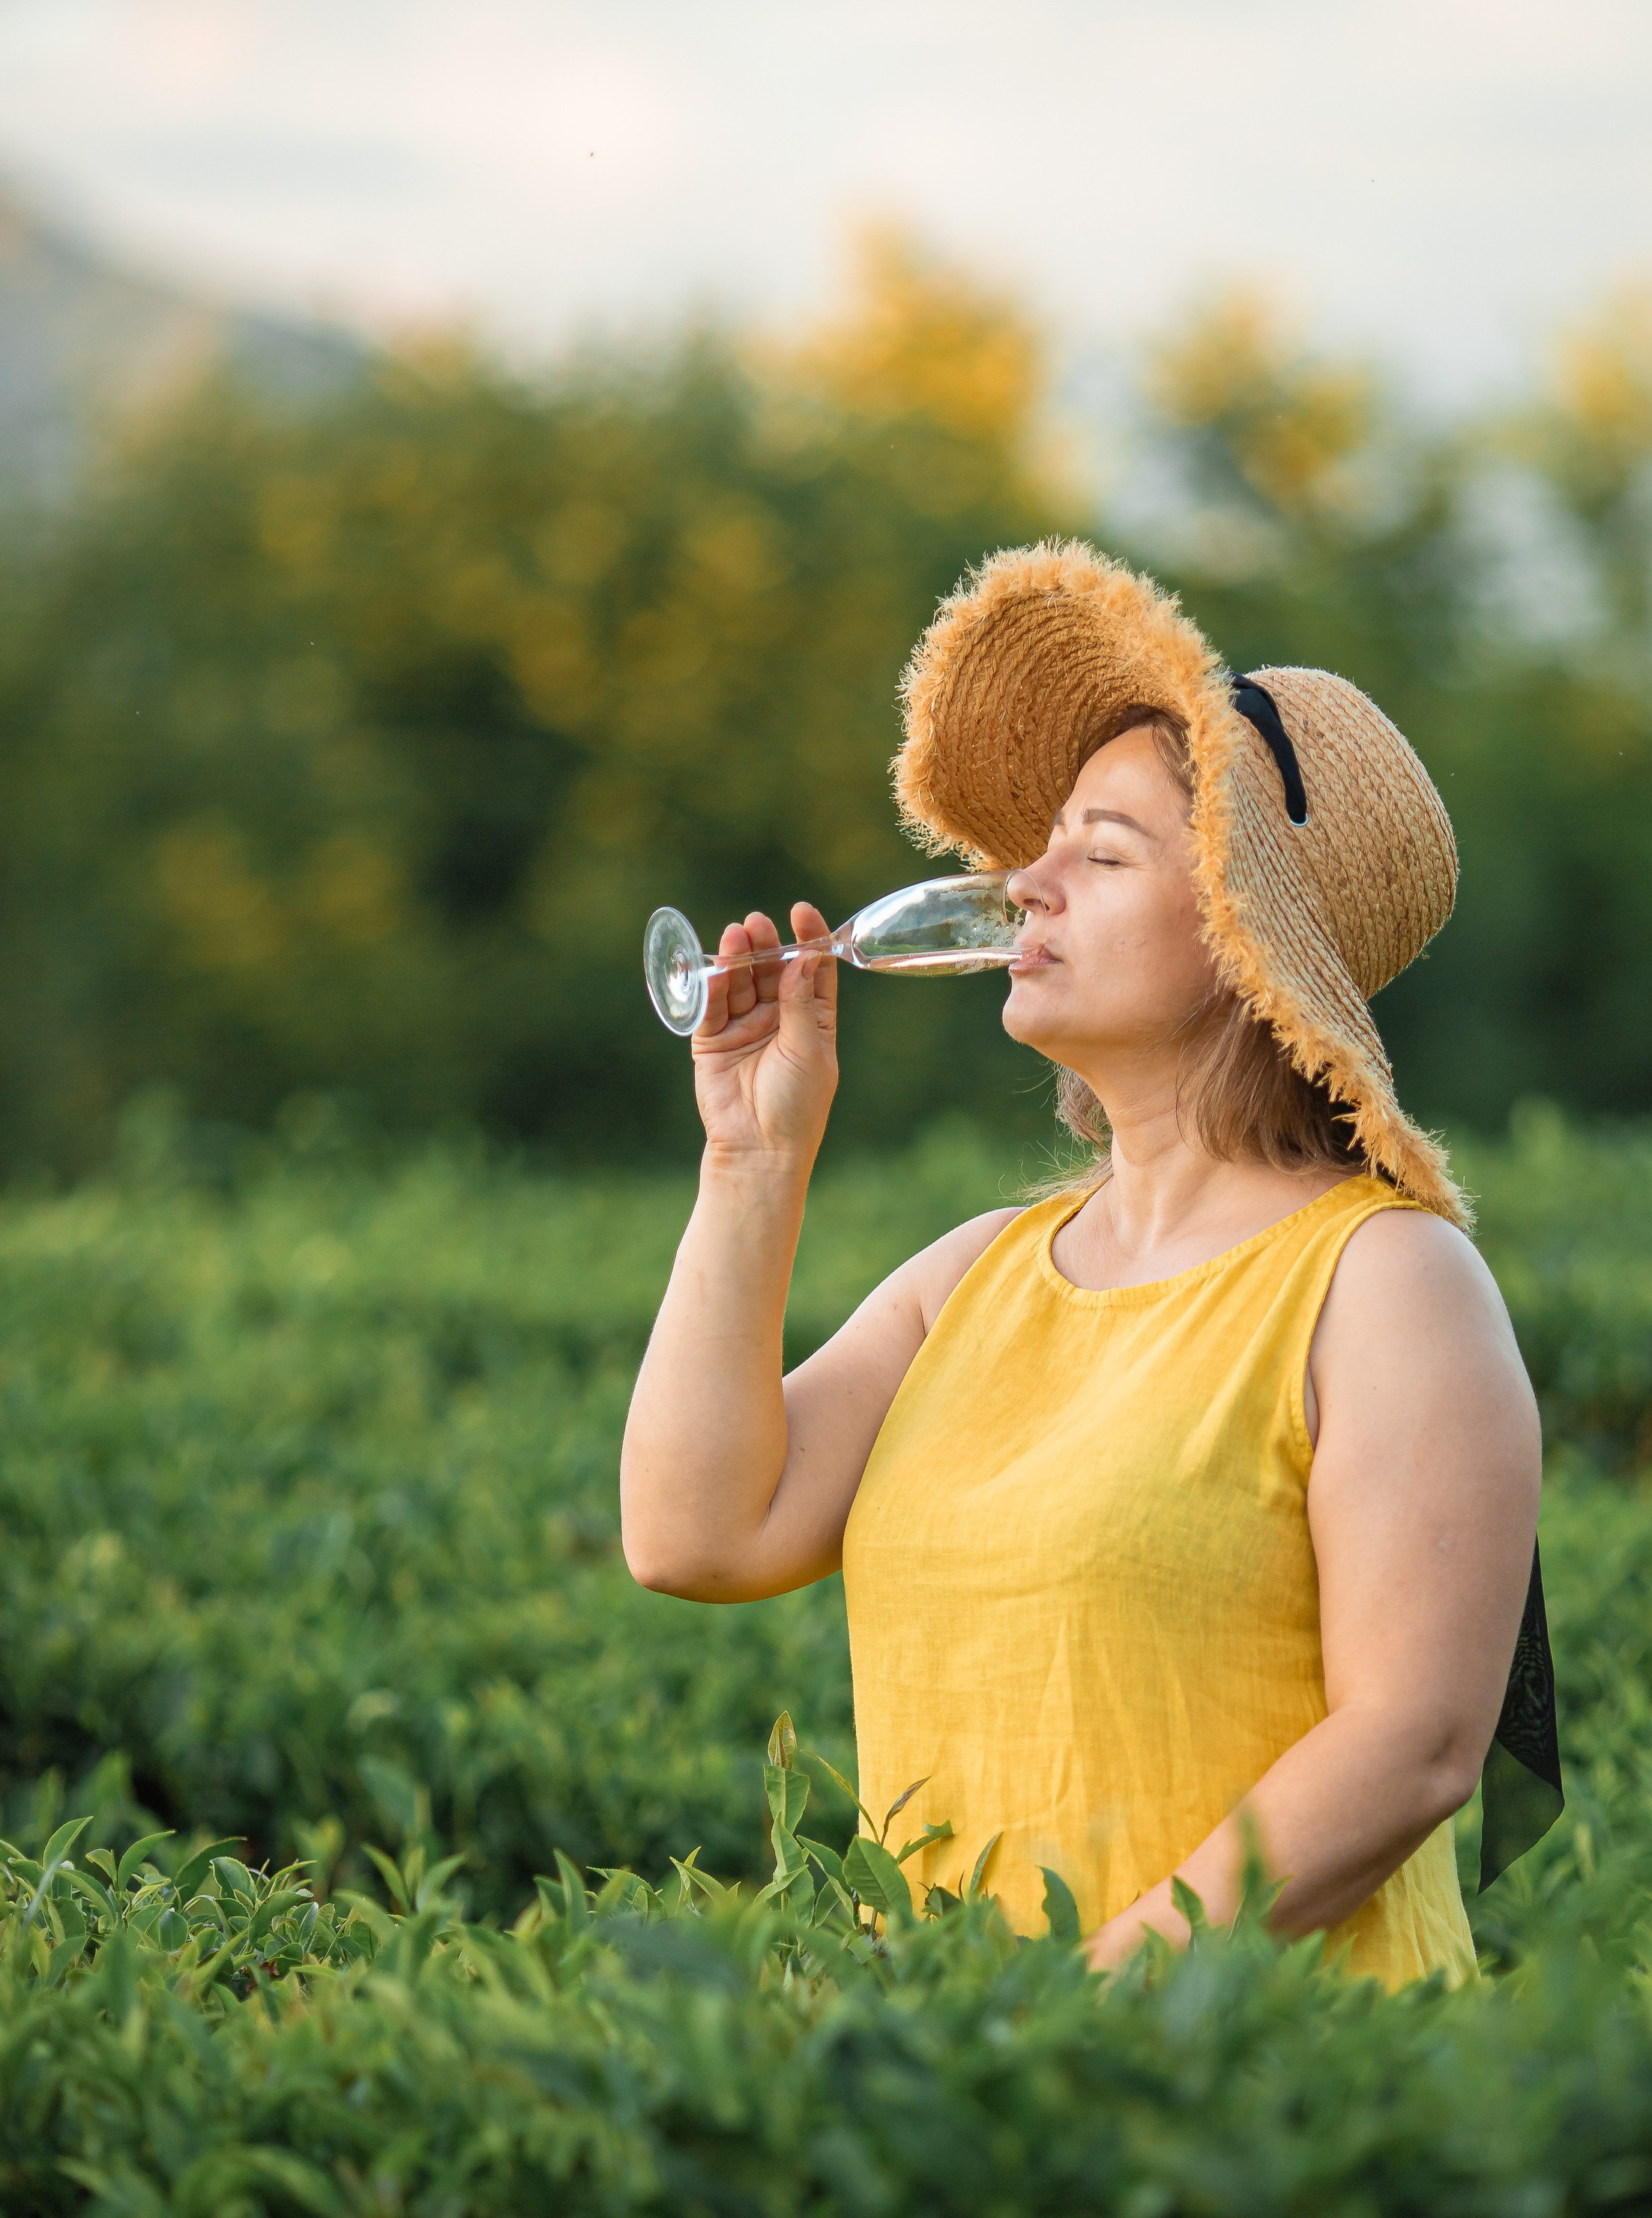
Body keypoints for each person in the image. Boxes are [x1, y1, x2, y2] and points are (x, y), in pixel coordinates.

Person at [621, 539, 1543, 1986]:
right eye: (1044, 843)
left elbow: (1414, 1742)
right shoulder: (973, 1276)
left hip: (1262, 2100)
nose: (1023, 883)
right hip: (966, 2099)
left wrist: (1078, 2012)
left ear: (1246, 943)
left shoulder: (1388, 1283)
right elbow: (693, 1535)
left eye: (1101, 854)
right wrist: (750, 1164)